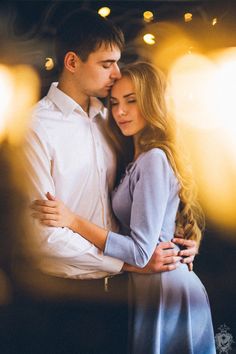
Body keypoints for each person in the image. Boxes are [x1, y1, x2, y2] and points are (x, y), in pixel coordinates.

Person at [24, 9, 198, 354]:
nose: (116, 73)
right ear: (72, 61)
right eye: (107, 64)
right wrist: (129, 261)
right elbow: (41, 236)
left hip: (130, 293)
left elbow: (152, 187)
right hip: (68, 297)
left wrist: (183, 239)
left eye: (117, 63)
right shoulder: (35, 127)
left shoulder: (113, 118)